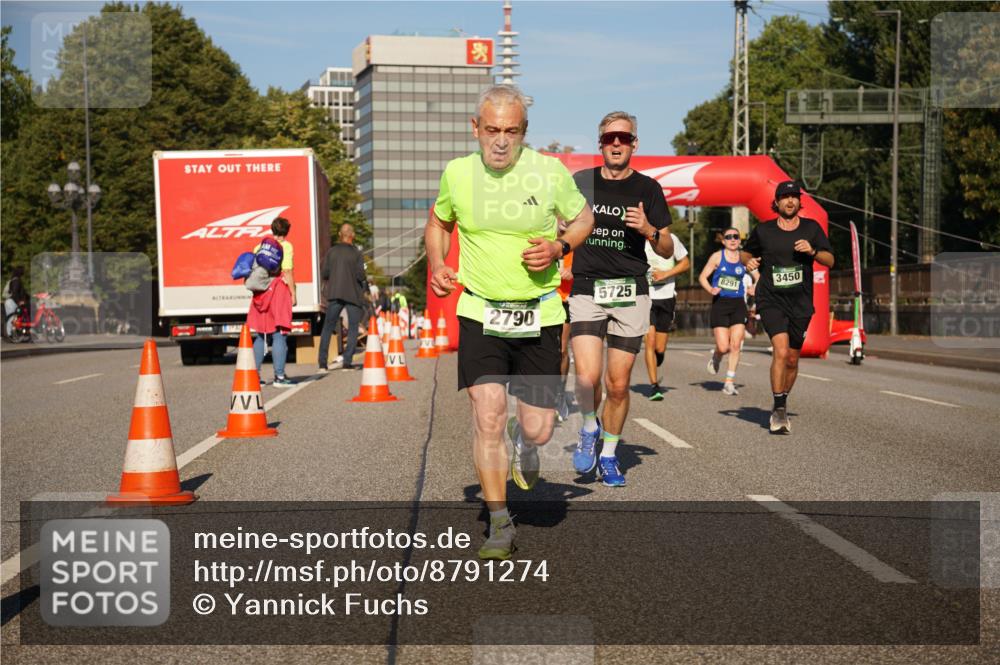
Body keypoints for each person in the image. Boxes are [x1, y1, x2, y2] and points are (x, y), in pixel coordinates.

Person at [425, 84, 595, 560]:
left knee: (539, 428)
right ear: (475, 128)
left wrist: (560, 246)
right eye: (492, 130)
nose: (501, 141)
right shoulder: (458, 173)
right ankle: (500, 521)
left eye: (512, 131)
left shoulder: (549, 172)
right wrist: (437, 264)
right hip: (480, 310)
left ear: (524, 132)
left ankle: (527, 440)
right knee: (488, 415)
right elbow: (438, 224)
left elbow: (584, 219)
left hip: (539, 313)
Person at [569, 111, 674, 487]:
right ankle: (588, 427)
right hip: (587, 288)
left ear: (634, 144)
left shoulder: (648, 188)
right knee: (586, 377)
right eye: (609, 138)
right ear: (600, 144)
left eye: (624, 138)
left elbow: (665, 248)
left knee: (617, 384)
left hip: (630, 291)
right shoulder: (581, 182)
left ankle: (609, 456)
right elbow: (559, 225)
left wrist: (648, 229)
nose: (616, 144)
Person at [743, 181, 834, 433]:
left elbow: (830, 260)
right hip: (771, 299)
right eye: (785, 197)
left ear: (799, 201)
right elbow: (745, 254)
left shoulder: (811, 228)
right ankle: (780, 409)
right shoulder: (764, 230)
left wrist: (813, 251)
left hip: (800, 302)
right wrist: (748, 262)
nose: (790, 201)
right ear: (777, 202)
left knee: (792, 360)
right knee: (781, 351)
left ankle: (780, 401)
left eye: (794, 196)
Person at [699, 227, 756, 396]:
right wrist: (711, 289)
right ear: (723, 241)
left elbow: (759, 277)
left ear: (739, 240)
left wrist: (754, 287)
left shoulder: (744, 258)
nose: (732, 239)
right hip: (720, 304)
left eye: (735, 237)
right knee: (724, 347)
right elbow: (702, 277)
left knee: (736, 345)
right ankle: (717, 356)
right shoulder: (717, 257)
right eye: (729, 237)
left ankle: (729, 382)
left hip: (738, 304)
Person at [247, 217, 296, 387]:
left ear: (272, 229)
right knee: (279, 334)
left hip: (261, 293)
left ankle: (254, 377)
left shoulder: (259, 247)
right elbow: (287, 271)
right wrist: (293, 294)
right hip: (278, 291)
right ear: (287, 231)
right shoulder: (286, 247)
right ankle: (279, 377)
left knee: (261, 334)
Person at [643, 231, 689, 401]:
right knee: (650, 341)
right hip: (645, 297)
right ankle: (654, 386)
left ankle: (659, 356)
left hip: (667, 297)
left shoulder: (671, 239)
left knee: (659, 348)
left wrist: (665, 274)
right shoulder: (638, 240)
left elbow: (685, 263)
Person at [318, 223, 367, 373]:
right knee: (353, 327)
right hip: (353, 294)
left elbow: (325, 273)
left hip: (335, 293)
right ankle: (347, 362)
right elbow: (361, 275)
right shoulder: (357, 253)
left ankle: (322, 364)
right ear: (353, 236)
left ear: (340, 234)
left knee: (328, 327)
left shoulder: (331, 252)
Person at [555, 220, 574, 422]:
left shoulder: (577, 244)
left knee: (561, 349)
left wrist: (573, 272)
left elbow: (589, 267)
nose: (564, 223)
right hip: (543, 299)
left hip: (565, 299)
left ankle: (559, 394)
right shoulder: (545, 238)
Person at [3, 266, 28, 339]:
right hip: (12, 302)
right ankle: (10, 335)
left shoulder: (13, 280)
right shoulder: (16, 281)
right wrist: (19, 302)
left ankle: (10, 335)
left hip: (10, 301)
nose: (24, 272)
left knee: (12, 318)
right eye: (22, 271)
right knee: (12, 319)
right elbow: (15, 293)